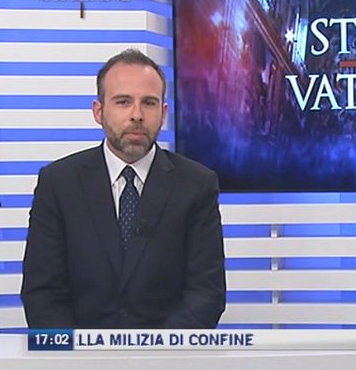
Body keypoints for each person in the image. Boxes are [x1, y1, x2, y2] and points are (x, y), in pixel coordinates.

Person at [21, 49, 226, 328]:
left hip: (168, 352)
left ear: (163, 113)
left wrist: (158, 351)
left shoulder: (197, 185)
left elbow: (206, 294)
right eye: (123, 102)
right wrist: (79, 353)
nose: (137, 115)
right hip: (80, 353)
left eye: (149, 103)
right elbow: (42, 295)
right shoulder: (58, 183)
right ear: (98, 111)